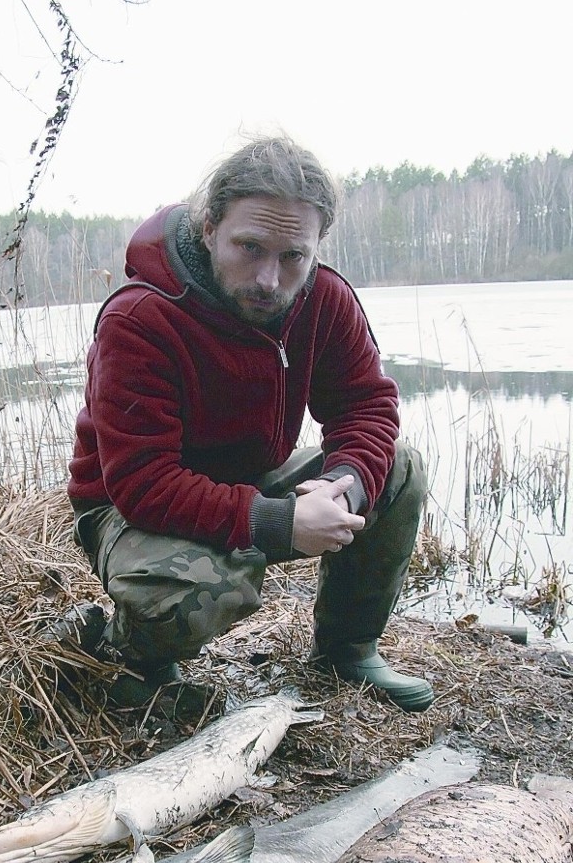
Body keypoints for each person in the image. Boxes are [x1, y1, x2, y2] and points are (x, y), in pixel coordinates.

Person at [67, 135, 433, 713]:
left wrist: (348, 480)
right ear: (210, 228)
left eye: (293, 257)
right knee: (207, 585)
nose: (269, 279)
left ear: (317, 248)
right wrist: (280, 521)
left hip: (248, 478)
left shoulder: (325, 299)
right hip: (128, 510)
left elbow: (366, 405)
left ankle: (348, 648)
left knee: (398, 469)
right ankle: (123, 655)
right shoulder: (140, 319)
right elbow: (143, 483)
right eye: (250, 248)